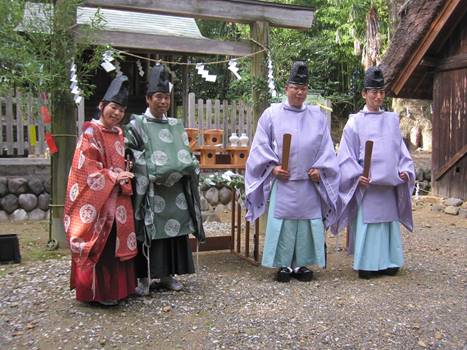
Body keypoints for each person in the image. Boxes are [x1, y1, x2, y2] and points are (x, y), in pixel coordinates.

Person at [245, 61, 340, 282]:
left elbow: (327, 147)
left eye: (303, 88)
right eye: (295, 87)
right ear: (286, 88)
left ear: (307, 90)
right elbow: (259, 146)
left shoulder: (317, 116)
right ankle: (284, 264)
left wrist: (320, 170)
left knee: (307, 224)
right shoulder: (271, 114)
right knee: (284, 222)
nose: (299, 92)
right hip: (284, 180)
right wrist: (272, 167)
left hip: (308, 181)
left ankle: (302, 264)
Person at [125, 64, 205, 295]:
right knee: (148, 231)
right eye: (158, 97)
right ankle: (144, 277)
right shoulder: (136, 125)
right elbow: (131, 154)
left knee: (175, 232)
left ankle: (168, 275)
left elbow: (186, 153)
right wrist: (152, 169)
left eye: (166, 98)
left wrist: (189, 165)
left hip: (175, 191)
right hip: (150, 190)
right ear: (149, 98)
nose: (163, 102)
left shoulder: (175, 125)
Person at [334, 66, 415, 279]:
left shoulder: (391, 120)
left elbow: (401, 151)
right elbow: (346, 155)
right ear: (364, 93)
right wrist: (355, 175)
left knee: (388, 223)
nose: (378, 96)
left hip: (389, 184)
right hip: (367, 185)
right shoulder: (355, 122)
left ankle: (390, 261)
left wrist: (405, 169)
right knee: (369, 224)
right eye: (373, 92)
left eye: (381, 92)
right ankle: (367, 263)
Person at [64, 75, 137, 306]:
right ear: (102, 106)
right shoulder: (90, 133)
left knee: (117, 242)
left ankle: (120, 289)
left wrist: (124, 174)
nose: (116, 113)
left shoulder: (119, 134)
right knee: (101, 244)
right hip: (97, 202)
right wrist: (115, 176)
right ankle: (100, 292)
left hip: (117, 198)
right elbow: (87, 169)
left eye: (121, 110)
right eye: (113, 107)